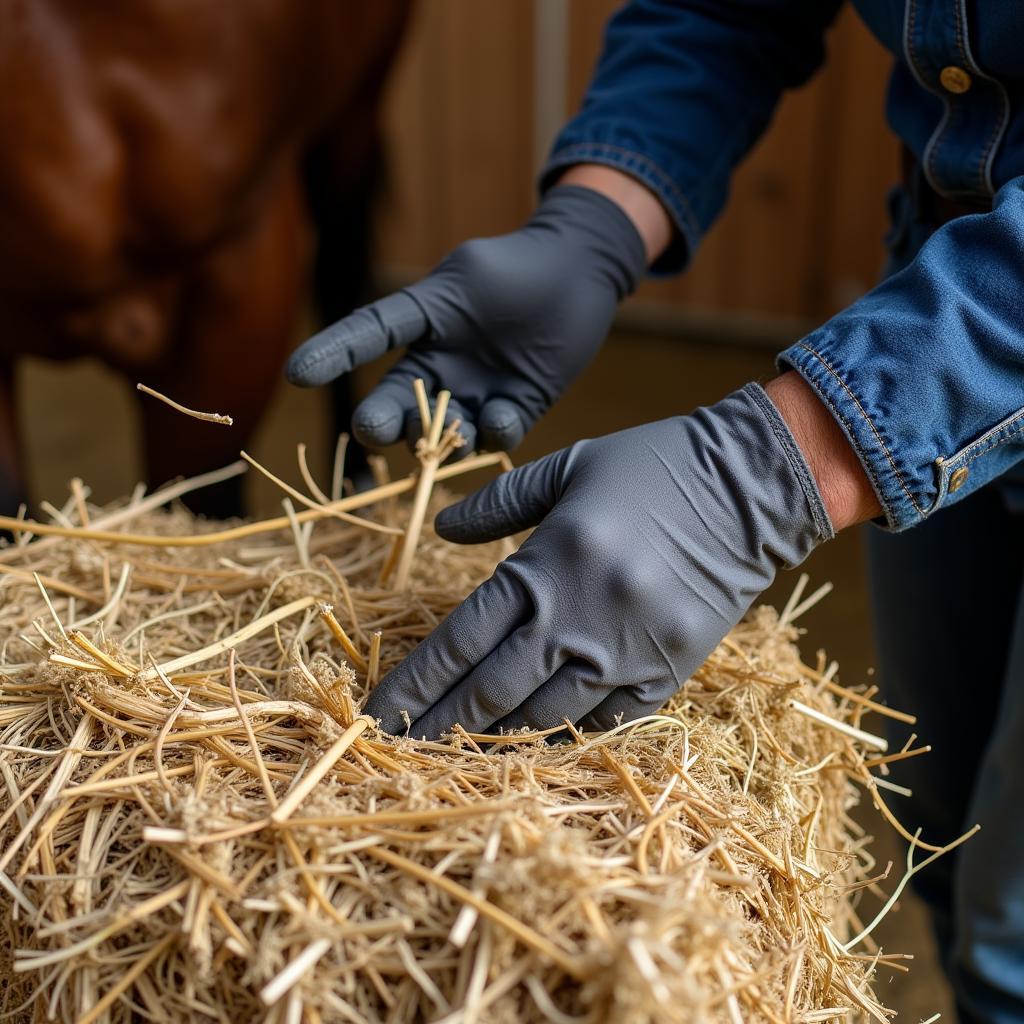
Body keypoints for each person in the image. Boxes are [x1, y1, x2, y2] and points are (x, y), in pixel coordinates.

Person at [286, 3, 1024, 1019]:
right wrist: (597, 218)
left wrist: (768, 468)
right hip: (930, 288)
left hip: (957, 341)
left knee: (1011, 939)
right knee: (940, 827)